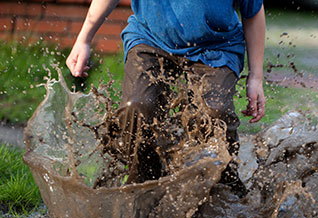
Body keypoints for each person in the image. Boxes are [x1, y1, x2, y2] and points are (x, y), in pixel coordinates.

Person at [66, 0, 266, 197]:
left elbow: (253, 11)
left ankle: (224, 185)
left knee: (214, 111)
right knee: (136, 107)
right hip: (150, 38)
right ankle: (144, 182)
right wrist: (84, 39)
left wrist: (256, 77)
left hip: (217, 45)